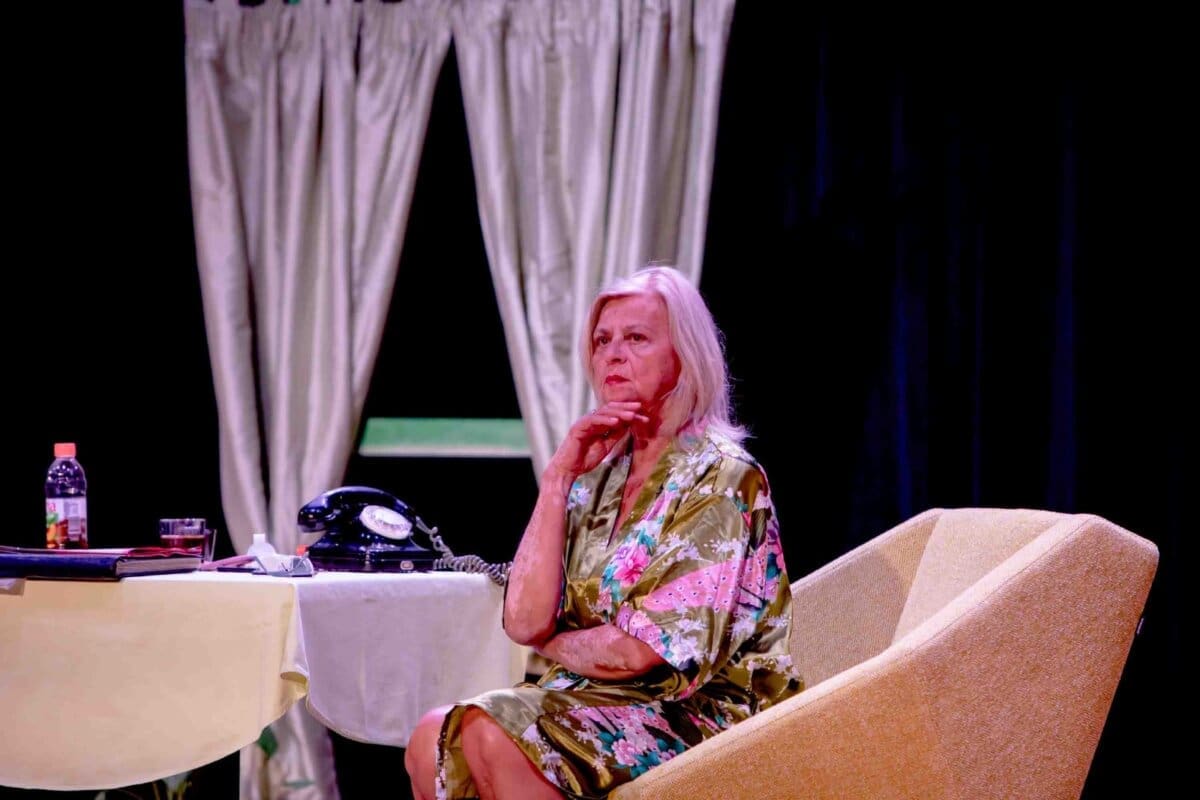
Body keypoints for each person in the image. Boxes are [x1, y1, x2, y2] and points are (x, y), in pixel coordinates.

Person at [405, 265, 802, 800]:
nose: (613, 355)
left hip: (697, 713)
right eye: (602, 341)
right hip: (591, 698)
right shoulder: (598, 474)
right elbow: (523, 619)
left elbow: (641, 653)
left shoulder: (723, 476)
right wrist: (558, 477)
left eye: (636, 338)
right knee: (430, 738)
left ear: (684, 355)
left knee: (492, 732)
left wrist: (551, 641)